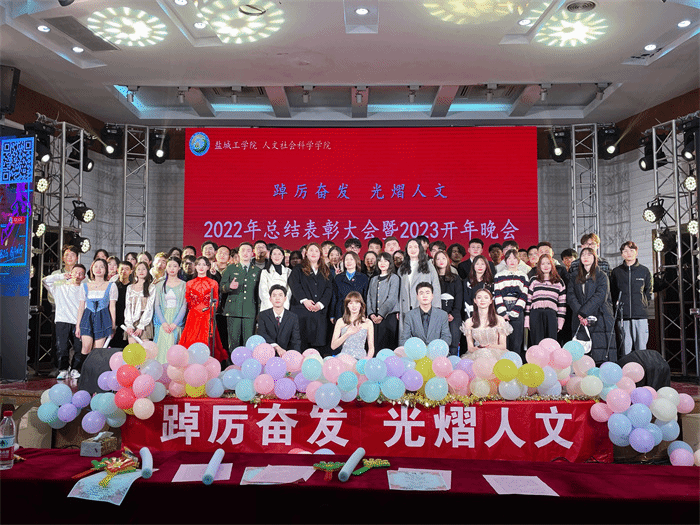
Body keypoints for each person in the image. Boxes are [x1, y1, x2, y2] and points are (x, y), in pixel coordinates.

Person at [567, 247, 616, 364]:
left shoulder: (602, 275)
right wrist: (580, 313)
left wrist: (583, 312)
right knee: (582, 355)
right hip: (579, 318)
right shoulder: (574, 276)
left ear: (594, 257)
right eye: (583, 255)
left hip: (600, 316)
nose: (586, 257)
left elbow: (600, 296)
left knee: (600, 352)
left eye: (589, 255)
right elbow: (571, 295)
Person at [74, 259, 117, 378]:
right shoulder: (85, 286)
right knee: (86, 347)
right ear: (92, 269)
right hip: (87, 318)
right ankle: (84, 373)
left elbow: (112, 307)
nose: (98, 269)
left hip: (103, 318)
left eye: (102, 266)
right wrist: (78, 326)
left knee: (98, 350)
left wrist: (113, 325)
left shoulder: (111, 286)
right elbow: (81, 307)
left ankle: (95, 376)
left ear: (106, 270)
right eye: (96, 266)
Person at [42, 264, 86, 379]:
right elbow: (45, 281)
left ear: (84, 277)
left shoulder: (84, 289)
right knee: (62, 347)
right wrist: (61, 276)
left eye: (81, 273)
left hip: (78, 322)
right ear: (71, 273)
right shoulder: (60, 287)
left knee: (78, 347)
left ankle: (75, 369)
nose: (77, 275)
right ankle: (63, 369)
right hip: (62, 320)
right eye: (75, 272)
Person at [179, 256, 227, 361]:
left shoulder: (213, 283)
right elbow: (188, 301)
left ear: (208, 267)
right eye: (199, 264)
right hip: (193, 316)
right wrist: (196, 310)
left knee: (207, 341)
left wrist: (210, 314)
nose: (201, 267)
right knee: (191, 340)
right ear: (195, 266)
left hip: (207, 316)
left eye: (204, 265)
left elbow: (215, 301)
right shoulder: (189, 283)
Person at [288, 242, 333, 352]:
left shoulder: (325, 270)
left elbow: (329, 289)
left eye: (317, 251)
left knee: (318, 346)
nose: (314, 253)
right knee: (300, 344)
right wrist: (304, 300)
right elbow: (295, 285)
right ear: (306, 253)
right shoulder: (298, 269)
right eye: (311, 250)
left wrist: (321, 304)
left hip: (319, 312)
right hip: (301, 311)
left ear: (320, 254)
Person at [611, 241, 652, 355]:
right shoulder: (616, 272)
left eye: (631, 250)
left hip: (640, 315)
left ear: (636, 252)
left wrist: (644, 304)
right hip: (623, 316)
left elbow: (648, 291)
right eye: (625, 251)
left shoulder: (644, 271)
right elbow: (613, 292)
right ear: (622, 254)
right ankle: (625, 367)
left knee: (641, 348)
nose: (629, 253)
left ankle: (641, 366)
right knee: (625, 348)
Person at [220, 242, 261, 351]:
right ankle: (232, 361)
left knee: (249, 342)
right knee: (233, 342)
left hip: (250, 311)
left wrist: (258, 312)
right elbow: (221, 287)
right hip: (233, 310)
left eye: (248, 250)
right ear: (238, 253)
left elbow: (259, 293)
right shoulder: (231, 269)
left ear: (252, 254)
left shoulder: (257, 271)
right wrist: (229, 286)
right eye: (243, 250)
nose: (245, 253)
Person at [398, 238, 441, 333]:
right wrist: (397, 309)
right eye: (410, 247)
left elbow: (436, 287)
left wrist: (436, 308)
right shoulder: (402, 268)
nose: (412, 249)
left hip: (423, 306)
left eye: (415, 247)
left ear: (420, 249)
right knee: (407, 335)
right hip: (405, 307)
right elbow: (398, 290)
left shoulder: (428, 265)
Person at [524, 254, 567, 346]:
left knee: (551, 344)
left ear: (552, 265)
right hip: (535, 313)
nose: (546, 266)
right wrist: (527, 319)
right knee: (537, 344)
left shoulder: (559, 282)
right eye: (543, 264)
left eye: (548, 263)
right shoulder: (534, 280)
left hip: (551, 314)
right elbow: (528, 301)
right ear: (539, 266)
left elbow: (562, 304)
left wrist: (560, 322)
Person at [494, 249, 529, 357]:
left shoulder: (523, 276)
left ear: (518, 260)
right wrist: (502, 312)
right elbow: (497, 294)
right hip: (503, 307)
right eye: (509, 258)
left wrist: (515, 311)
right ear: (505, 260)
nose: (512, 261)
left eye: (514, 258)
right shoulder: (498, 275)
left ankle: (516, 364)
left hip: (517, 309)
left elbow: (524, 295)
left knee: (516, 341)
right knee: (503, 341)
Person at [153, 257, 187, 364]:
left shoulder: (184, 285)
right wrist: (163, 323)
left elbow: (184, 306)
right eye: (169, 266)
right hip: (163, 319)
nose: (172, 269)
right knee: (161, 348)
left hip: (176, 319)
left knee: (173, 348)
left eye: (175, 266)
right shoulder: (159, 285)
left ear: (179, 268)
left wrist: (175, 323)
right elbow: (157, 306)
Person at [461, 288, 511, 358]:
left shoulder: (499, 320)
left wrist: (488, 347)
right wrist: (479, 349)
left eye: (486, 297)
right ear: (475, 301)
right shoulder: (469, 322)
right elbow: (470, 348)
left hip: (496, 354)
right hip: (478, 355)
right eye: (479, 297)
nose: (482, 300)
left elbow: (503, 346)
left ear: (491, 301)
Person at [399, 282, 451, 346]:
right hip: (417, 351)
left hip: (436, 350)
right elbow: (404, 339)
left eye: (427, 293)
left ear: (432, 296)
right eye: (421, 293)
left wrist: (436, 347)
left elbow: (447, 338)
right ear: (417, 296)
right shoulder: (409, 315)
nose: (424, 296)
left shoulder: (442, 315)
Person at [367, 252, 400, 351]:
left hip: (388, 316)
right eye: (380, 261)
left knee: (387, 346)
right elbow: (369, 297)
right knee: (374, 346)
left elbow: (392, 298)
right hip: (374, 318)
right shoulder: (373, 279)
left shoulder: (394, 278)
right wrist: (371, 313)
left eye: (385, 261)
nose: (382, 263)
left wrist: (381, 315)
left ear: (390, 263)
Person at [433, 250, 463, 356]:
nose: (441, 261)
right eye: (438, 259)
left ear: (447, 260)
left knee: (454, 341)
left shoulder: (455, 278)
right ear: (434, 261)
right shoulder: (433, 279)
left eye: (443, 258)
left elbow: (459, 298)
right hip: (437, 314)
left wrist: (452, 313)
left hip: (454, 314)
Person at [257, 284, 301, 355]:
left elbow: (296, 340)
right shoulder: (263, 315)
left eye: (280, 295)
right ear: (270, 299)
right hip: (267, 354)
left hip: (286, 355)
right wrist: (276, 347)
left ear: (285, 298)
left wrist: (295, 355)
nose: (277, 298)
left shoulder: (293, 317)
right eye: (274, 295)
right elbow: (262, 334)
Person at [331, 291, 375, 359]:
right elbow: (333, 346)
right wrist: (347, 333)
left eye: (357, 303)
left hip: (361, 359)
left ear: (361, 305)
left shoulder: (368, 323)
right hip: (344, 359)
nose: (354, 306)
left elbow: (371, 347)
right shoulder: (340, 321)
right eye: (351, 303)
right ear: (347, 305)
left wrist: (367, 360)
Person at [331, 251, 369, 323]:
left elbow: (365, 297)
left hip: (358, 312)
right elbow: (334, 297)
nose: (349, 262)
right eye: (346, 259)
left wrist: (365, 313)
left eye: (351, 259)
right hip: (341, 311)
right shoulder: (338, 277)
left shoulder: (363, 277)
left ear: (356, 261)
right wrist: (332, 315)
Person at [124, 261, 156, 344]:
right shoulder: (130, 287)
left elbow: (149, 307)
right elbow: (128, 307)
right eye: (138, 269)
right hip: (132, 321)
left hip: (144, 321)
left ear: (148, 271)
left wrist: (141, 326)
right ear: (135, 272)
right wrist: (129, 324)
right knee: (133, 347)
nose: (141, 271)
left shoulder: (151, 287)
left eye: (144, 269)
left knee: (145, 346)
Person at [258, 245, 291, 311]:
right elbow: (263, 291)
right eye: (274, 254)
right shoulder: (265, 272)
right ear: (271, 256)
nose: (277, 256)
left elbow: (289, 291)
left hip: (284, 307)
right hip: (268, 307)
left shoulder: (288, 271)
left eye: (279, 254)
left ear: (283, 256)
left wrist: (284, 306)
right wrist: (272, 308)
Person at [112, 261, 133, 348]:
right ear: (117, 270)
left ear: (131, 271)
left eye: (127, 269)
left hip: (129, 323)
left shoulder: (133, 287)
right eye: (121, 269)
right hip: (115, 323)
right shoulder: (112, 286)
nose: (123, 271)